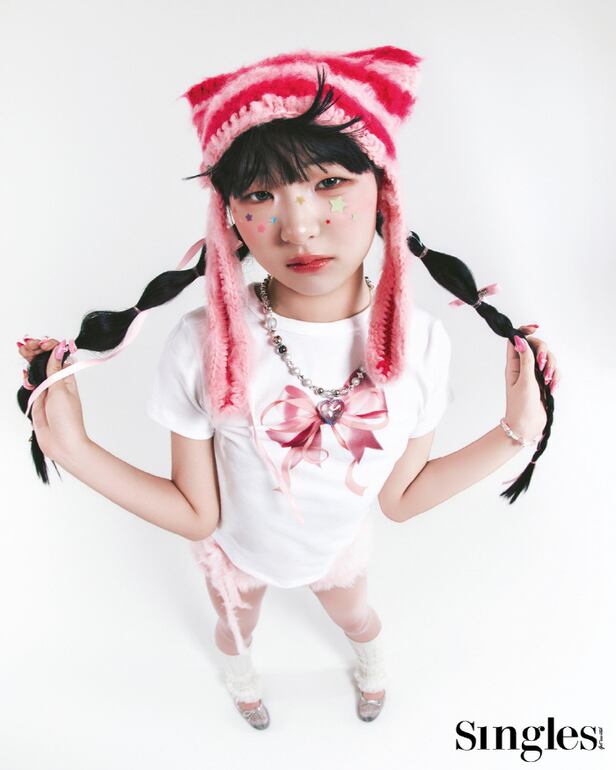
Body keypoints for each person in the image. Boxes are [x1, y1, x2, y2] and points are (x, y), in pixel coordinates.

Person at [16, 46, 559, 731]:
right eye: (259, 194)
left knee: (357, 616)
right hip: (236, 554)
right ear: (229, 215)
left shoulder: (419, 343)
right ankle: (242, 682)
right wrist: (73, 449)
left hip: (336, 552)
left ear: (383, 192)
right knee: (234, 627)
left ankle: (372, 665)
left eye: (330, 182)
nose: (299, 227)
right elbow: (197, 514)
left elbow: (400, 498)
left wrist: (518, 431)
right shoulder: (205, 342)